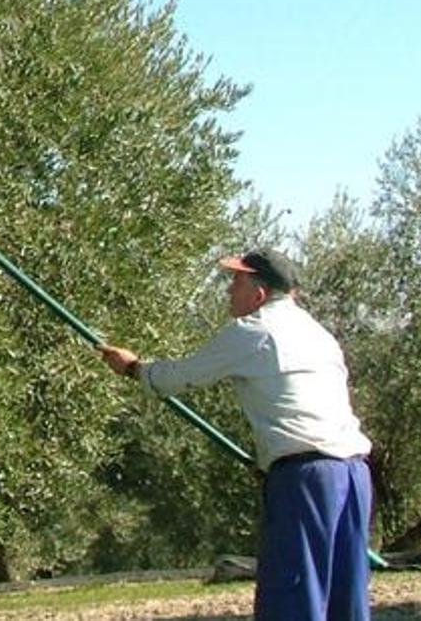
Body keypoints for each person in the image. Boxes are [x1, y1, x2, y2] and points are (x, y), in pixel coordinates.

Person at [98, 249, 373, 621]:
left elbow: (181, 376)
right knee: (346, 601)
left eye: (236, 281)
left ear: (259, 293)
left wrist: (133, 368)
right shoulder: (318, 334)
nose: (229, 291)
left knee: (294, 598)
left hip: (305, 478)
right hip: (354, 476)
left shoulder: (254, 331)